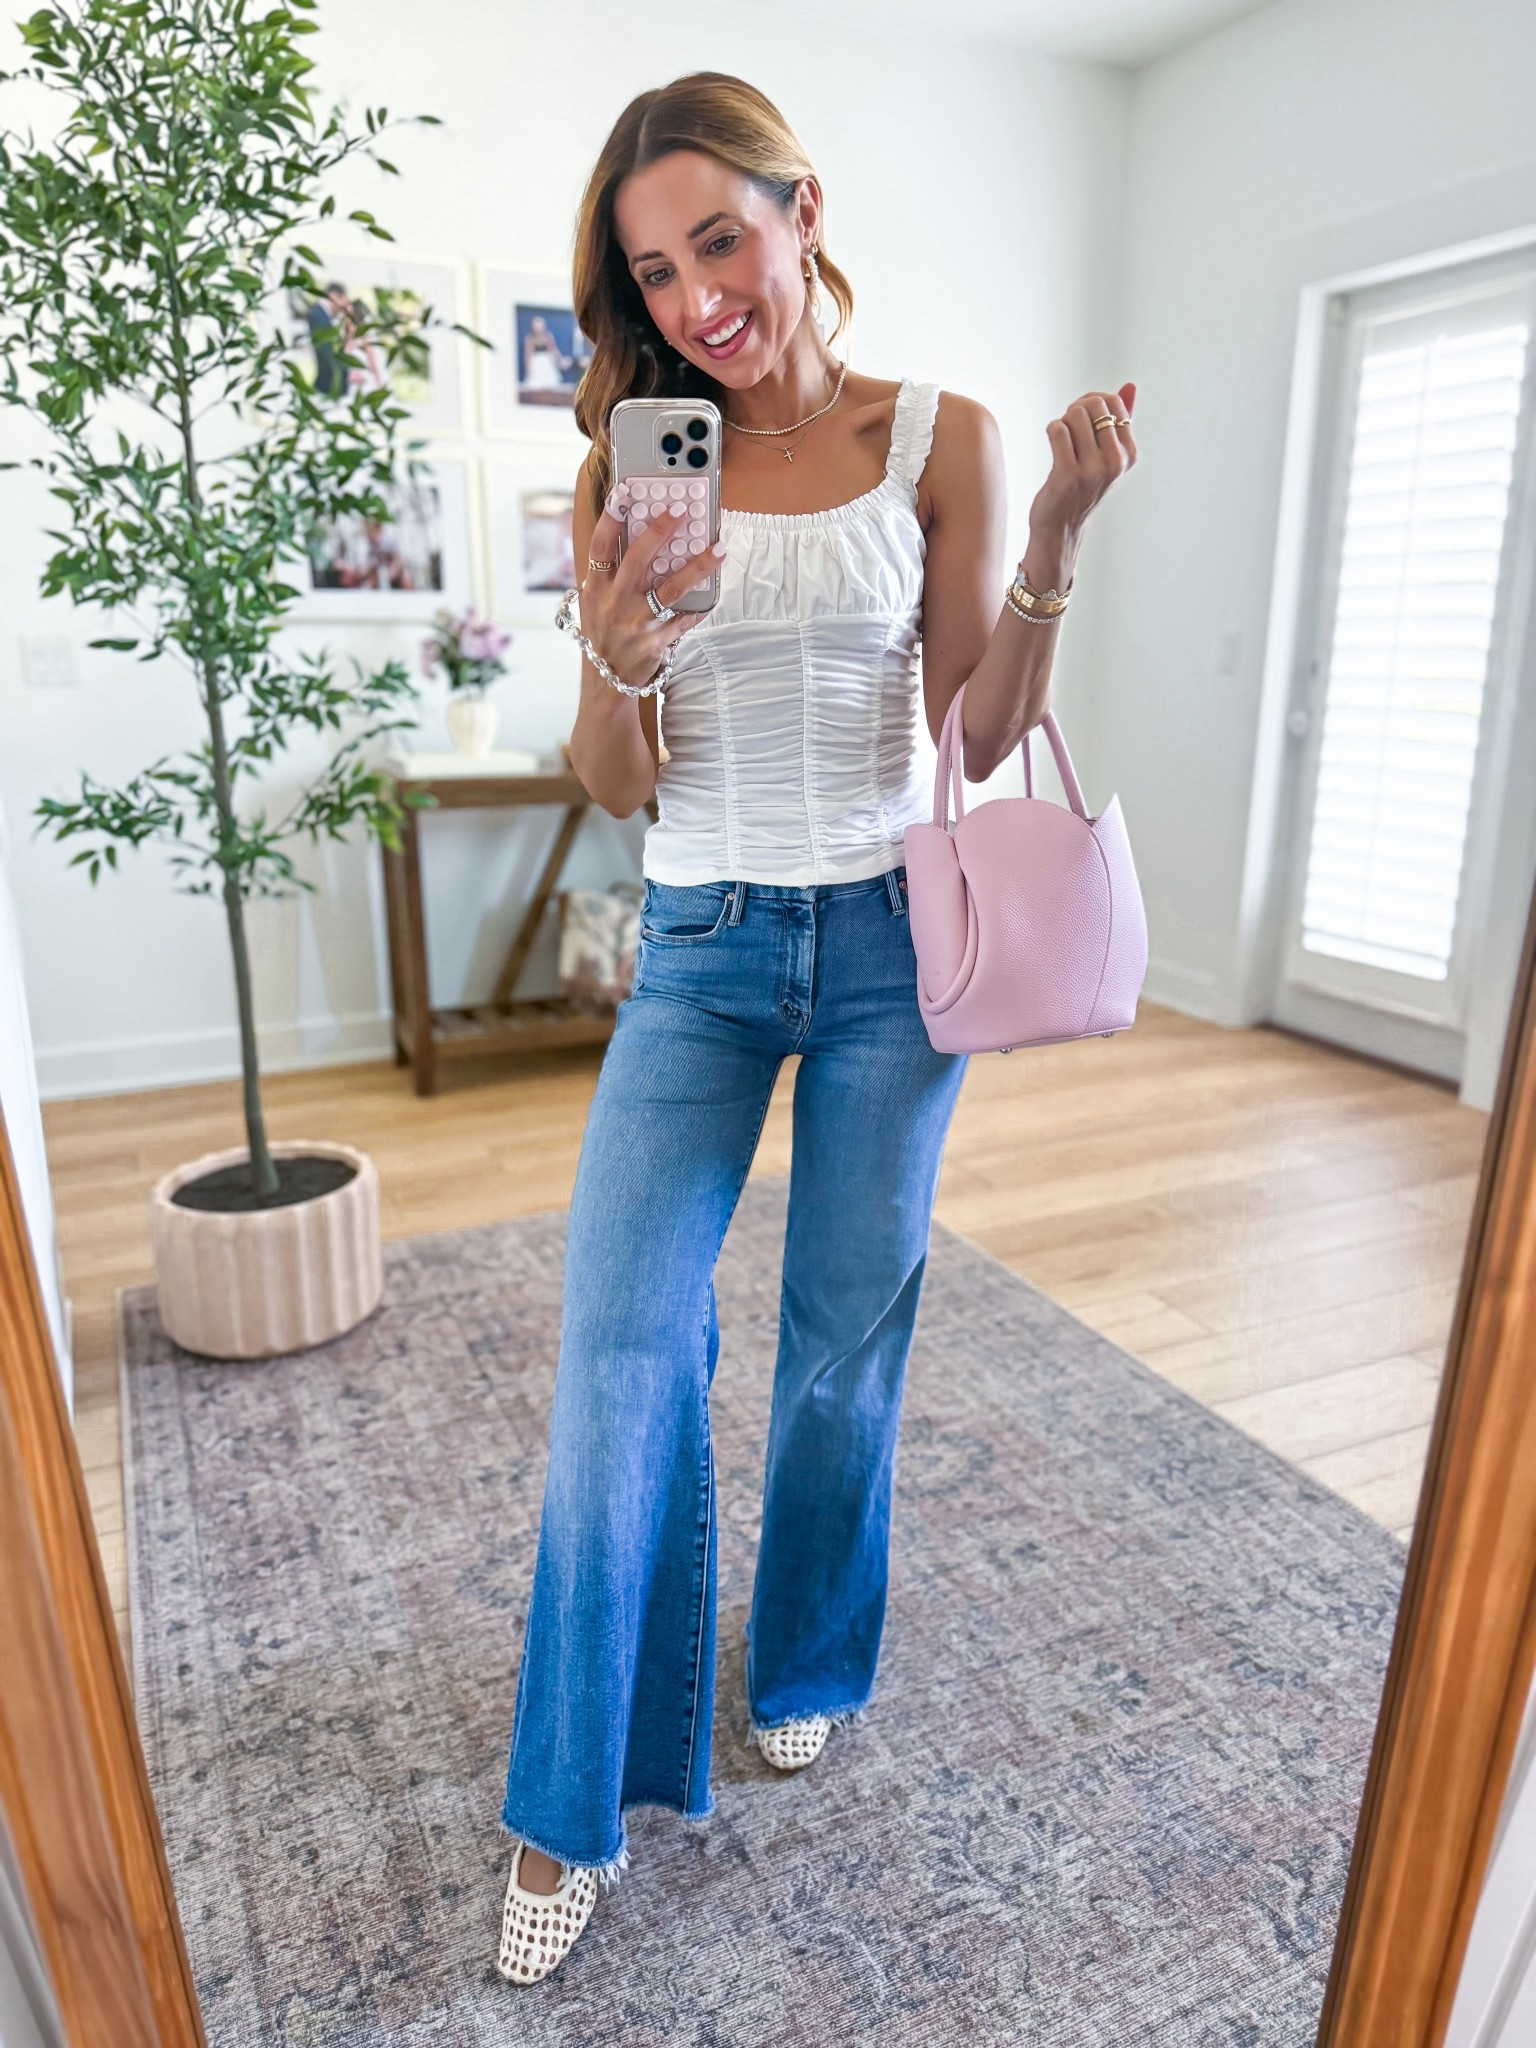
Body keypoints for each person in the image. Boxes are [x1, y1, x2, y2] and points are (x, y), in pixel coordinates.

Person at [495, 69, 1137, 1986]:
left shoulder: (935, 437)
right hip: (696, 942)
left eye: (720, 239)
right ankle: (572, 1796)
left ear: (799, 214)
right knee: (621, 1342)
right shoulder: (631, 454)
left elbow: (978, 728)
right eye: (653, 267)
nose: (696, 296)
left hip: (882, 943)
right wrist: (615, 653)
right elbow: (616, 781)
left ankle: (807, 1658)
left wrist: (1063, 533)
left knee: (849, 1331)